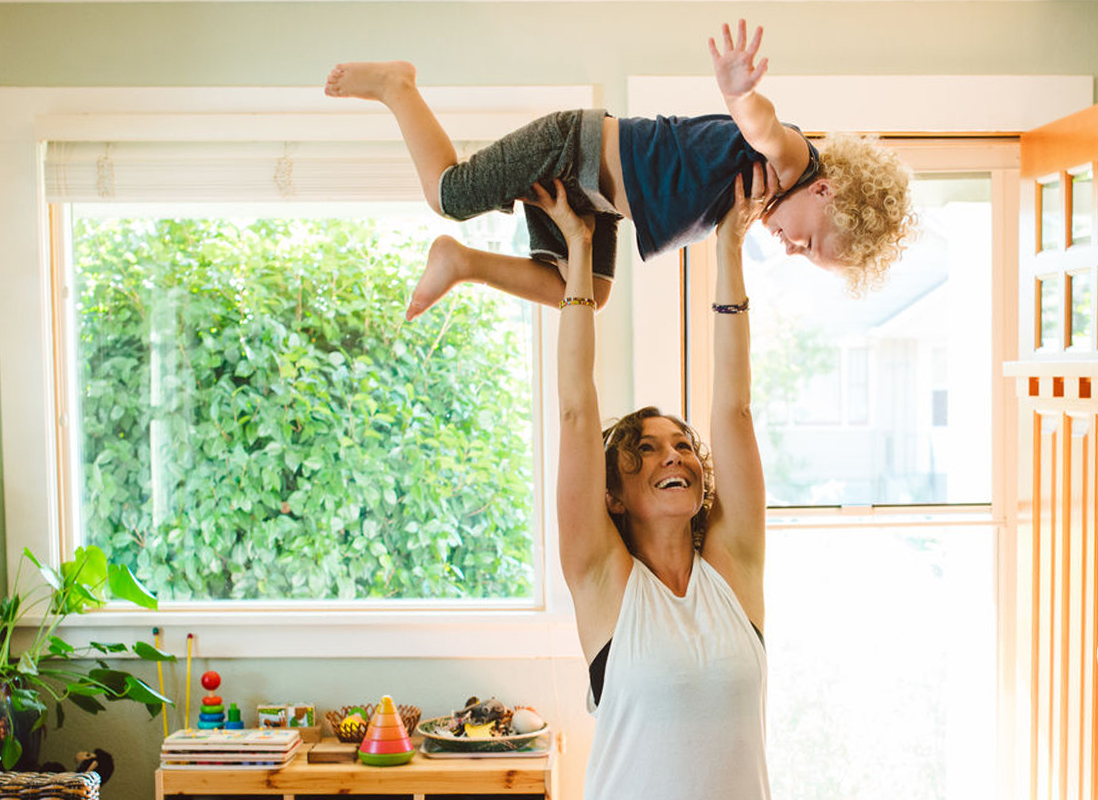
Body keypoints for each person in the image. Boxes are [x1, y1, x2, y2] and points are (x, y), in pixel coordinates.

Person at [324, 19, 916, 320]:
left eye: (805, 256)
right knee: (448, 194)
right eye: (809, 241)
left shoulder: (756, 201)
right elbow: (762, 124)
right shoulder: (789, 160)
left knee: (584, 295)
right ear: (826, 188)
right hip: (570, 149)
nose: (792, 250)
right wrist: (740, 96)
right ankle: (397, 86)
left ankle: (464, 262)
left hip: (594, 200)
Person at [544, 163, 773, 799]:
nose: (672, 457)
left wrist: (728, 245)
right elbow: (575, 407)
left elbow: (734, 406)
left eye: (681, 445)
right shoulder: (602, 579)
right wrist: (580, 255)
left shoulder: (736, 567)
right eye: (643, 451)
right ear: (612, 493)